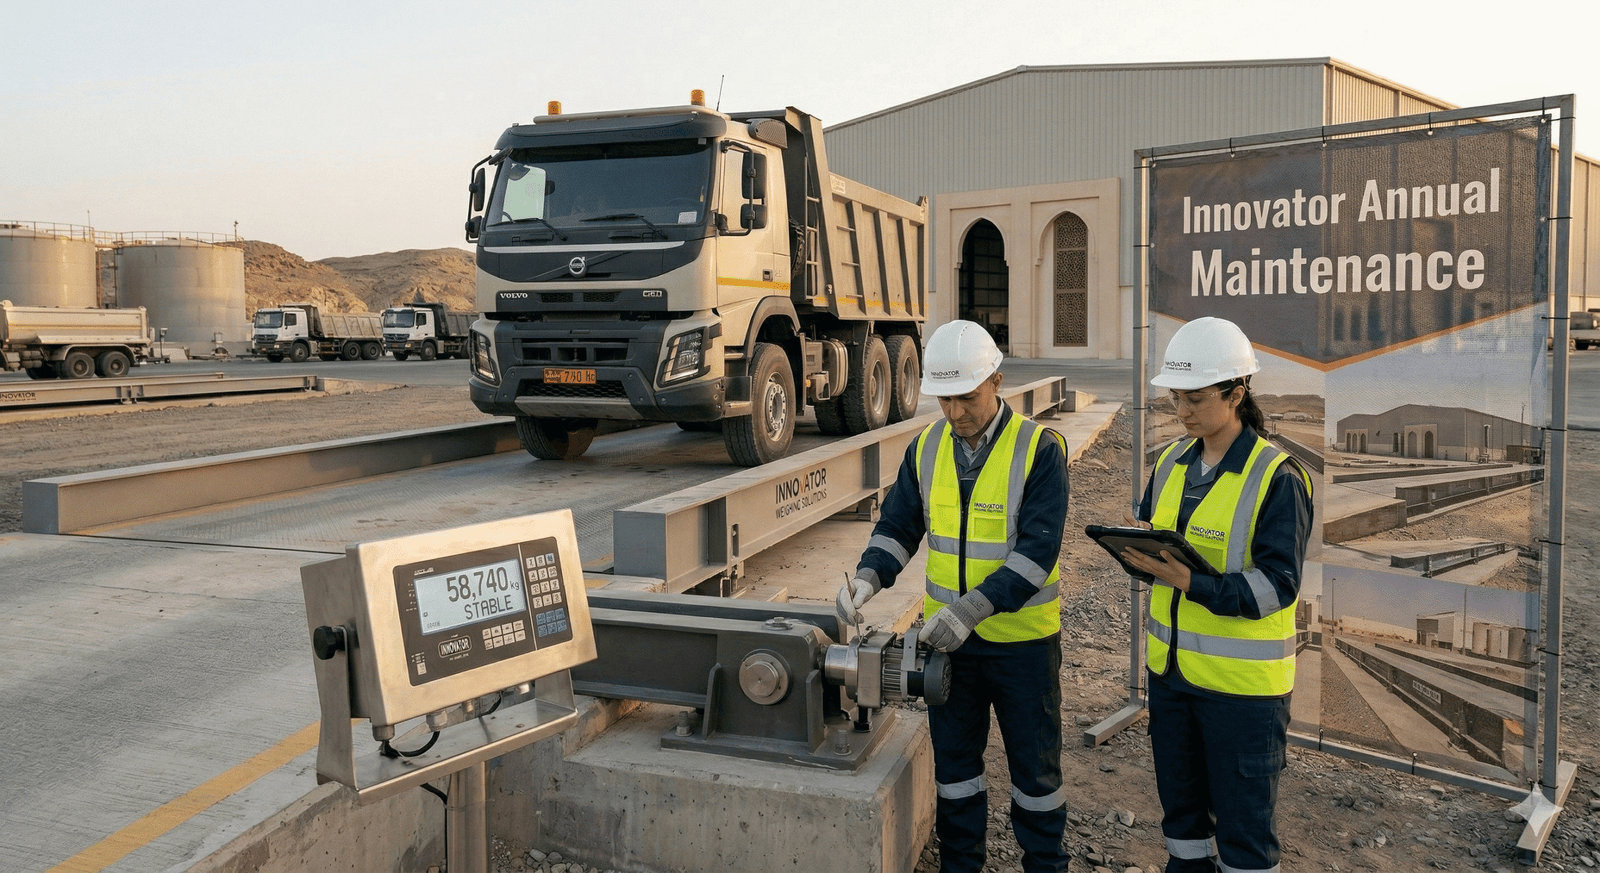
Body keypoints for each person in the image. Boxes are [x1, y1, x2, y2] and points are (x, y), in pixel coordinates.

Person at [835, 320, 1071, 873]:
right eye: (945, 399)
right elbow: (898, 527)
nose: (955, 412)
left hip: (1024, 649)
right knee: (957, 771)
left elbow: (1036, 555)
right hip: (952, 653)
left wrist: (969, 610)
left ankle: (1044, 864)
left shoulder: (1039, 451)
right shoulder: (926, 449)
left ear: (997, 381)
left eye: (966, 398)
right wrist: (867, 578)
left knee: (1036, 777)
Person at [1117, 317, 1313, 873]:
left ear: (1237, 392)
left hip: (1242, 696)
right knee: (1183, 827)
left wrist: (1191, 583)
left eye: (1196, 398)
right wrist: (1138, 555)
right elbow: (1162, 556)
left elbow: (1278, 587)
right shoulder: (1171, 463)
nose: (1182, 410)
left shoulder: (1277, 477)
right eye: (1176, 397)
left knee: (1245, 837)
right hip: (1174, 680)